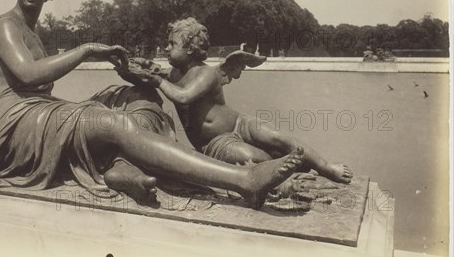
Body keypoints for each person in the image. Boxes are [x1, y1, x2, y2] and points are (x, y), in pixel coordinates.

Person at [0, 0, 305, 209]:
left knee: (136, 94)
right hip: (14, 123)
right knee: (112, 121)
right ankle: (243, 179)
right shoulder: (6, 27)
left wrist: (130, 72)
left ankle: (120, 170)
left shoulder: (32, 31)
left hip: (39, 115)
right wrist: (87, 50)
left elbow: (40, 84)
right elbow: (28, 76)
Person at [127, 18, 352, 185]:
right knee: (255, 159)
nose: (165, 48)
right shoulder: (172, 74)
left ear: (191, 48)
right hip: (214, 143)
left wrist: (155, 79)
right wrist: (131, 66)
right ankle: (290, 169)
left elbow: (183, 96)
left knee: (279, 137)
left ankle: (325, 167)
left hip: (239, 123)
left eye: (172, 44)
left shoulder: (206, 74)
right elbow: (151, 78)